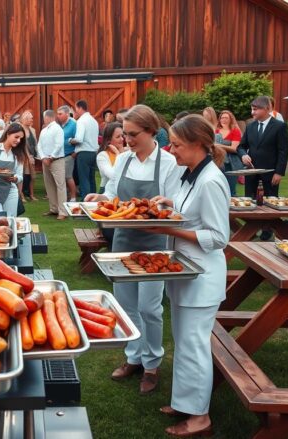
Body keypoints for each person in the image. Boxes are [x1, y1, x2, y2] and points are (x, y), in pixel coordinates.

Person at [85, 104, 182, 394]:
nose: (127, 140)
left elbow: (172, 206)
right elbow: (113, 194)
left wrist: (155, 211)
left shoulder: (168, 162)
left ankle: (152, 364)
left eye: (133, 134)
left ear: (151, 132)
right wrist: (99, 198)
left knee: (149, 308)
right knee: (125, 305)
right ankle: (133, 357)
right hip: (124, 239)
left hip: (155, 244)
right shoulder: (124, 159)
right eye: (125, 134)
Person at [144, 115, 230, 437]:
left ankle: (200, 417)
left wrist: (168, 230)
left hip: (202, 277)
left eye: (177, 145)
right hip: (183, 272)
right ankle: (185, 402)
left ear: (197, 144)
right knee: (183, 342)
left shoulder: (211, 180)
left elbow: (219, 237)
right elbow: (189, 212)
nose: (171, 150)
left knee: (194, 345)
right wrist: (169, 204)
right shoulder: (189, 173)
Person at [237, 96, 288, 198]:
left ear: (267, 109)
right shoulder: (250, 126)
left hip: (270, 175)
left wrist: (279, 173)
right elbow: (241, 147)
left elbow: (283, 151)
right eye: (252, 109)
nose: (252, 112)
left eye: (255, 109)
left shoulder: (279, 126)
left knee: (269, 202)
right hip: (251, 174)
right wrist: (243, 155)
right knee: (250, 202)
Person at [0, 123, 26, 216]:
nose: (19, 140)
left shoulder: (18, 154)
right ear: (8, 134)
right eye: (16, 137)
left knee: (11, 219)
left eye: (21, 138)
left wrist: (15, 178)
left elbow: (20, 176)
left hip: (11, 190)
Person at [37, 109, 67, 219]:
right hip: (46, 160)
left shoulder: (57, 129)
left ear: (47, 117)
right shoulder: (44, 130)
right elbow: (39, 145)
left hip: (57, 160)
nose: (44, 119)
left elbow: (59, 145)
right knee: (49, 185)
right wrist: (43, 157)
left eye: (44, 117)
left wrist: (51, 157)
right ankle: (54, 208)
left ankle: (63, 212)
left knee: (60, 185)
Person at [69, 100, 99, 200]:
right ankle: (94, 200)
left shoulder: (81, 121)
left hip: (84, 153)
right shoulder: (94, 121)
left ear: (80, 108)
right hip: (93, 152)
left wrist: (70, 140)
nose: (75, 111)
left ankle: (85, 201)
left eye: (76, 108)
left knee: (84, 179)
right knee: (91, 178)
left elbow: (79, 139)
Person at [214, 110, 243, 196]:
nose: (224, 119)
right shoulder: (216, 131)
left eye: (226, 118)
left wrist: (218, 145)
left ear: (231, 119)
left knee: (231, 189)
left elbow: (234, 148)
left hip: (230, 163)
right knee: (218, 189)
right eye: (222, 118)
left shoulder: (235, 131)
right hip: (217, 162)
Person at [96, 122, 125, 192]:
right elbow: (113, 176)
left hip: (123, 191)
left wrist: (122, 153)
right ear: (109, 140)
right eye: (118, 137)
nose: (122, 139)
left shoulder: (125, 152)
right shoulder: (102, 156)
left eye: (122, 136)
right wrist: (118, 155)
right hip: (107, 191)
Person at [57, 105, 78, 201]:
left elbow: (78, 139)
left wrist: (74, 153)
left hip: (69, 155)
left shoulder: (73, 124)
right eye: (57, 114)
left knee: (68, 176)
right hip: (61, 155)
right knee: (63, 177)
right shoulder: (60, 125)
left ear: (67, 114)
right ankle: (67, 196)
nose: (58, 116)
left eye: (60, 114)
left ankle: (73, 197)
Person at [20, 111, 38, 201]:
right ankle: (22, 195)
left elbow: (35, 144)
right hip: (23, 156)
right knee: (22, 176)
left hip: (32, 156)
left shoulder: (33, 130)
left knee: (32, 176)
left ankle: (31, 195)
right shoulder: (20, 129)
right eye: (31, 118)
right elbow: (23, 145)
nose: (32, 120)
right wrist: (28, 156)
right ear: (25, 119)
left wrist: (36, 155)